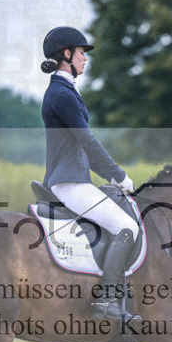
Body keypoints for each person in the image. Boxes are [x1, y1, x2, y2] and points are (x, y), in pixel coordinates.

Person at [39, 26, 142, 324]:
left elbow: (82, 146)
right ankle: (108, 301)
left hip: (72, 177)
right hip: (70, 182)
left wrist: (109, 177)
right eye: (82, 52)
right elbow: (87, 141)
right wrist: (119, 176)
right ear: (67, 54)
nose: (85, 58)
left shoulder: (64, 90)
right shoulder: (62, 94)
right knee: (126, 227)